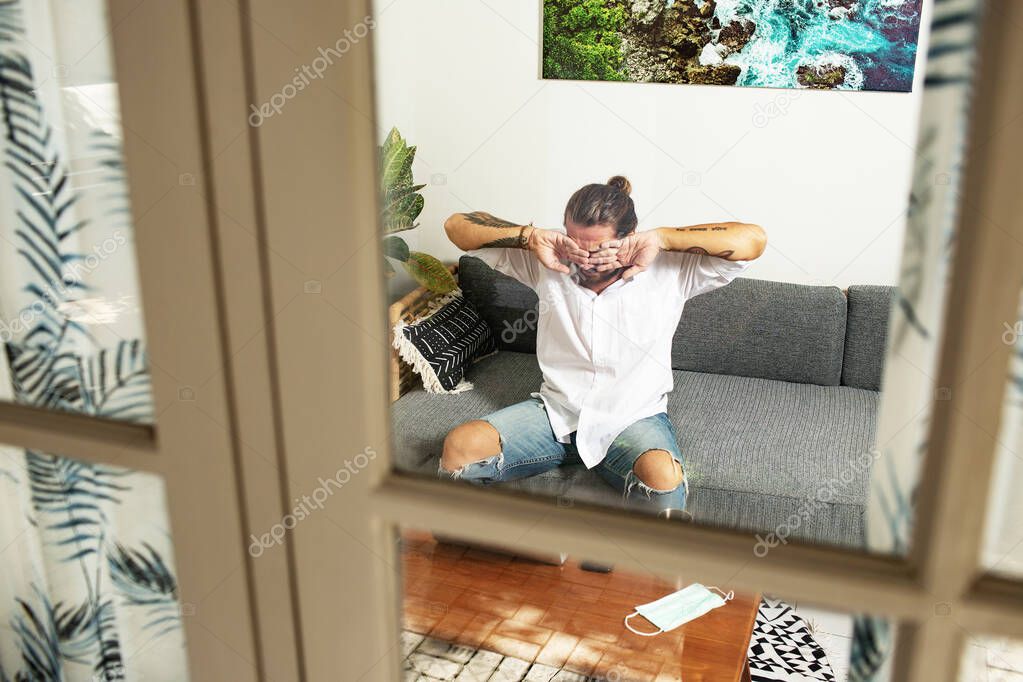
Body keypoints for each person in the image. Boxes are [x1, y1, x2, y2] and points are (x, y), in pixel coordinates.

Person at [439, 176, 766, 519]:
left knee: (664, 478)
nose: (584, 259)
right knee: (461, 446)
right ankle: (512, 545)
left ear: (630, 235)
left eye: (597, 248)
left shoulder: (672, 268)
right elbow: (455, 227)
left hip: (632, 419)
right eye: (575, 242)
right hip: (557, 415)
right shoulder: (547, 259)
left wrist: (662, 238)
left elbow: (752, 239)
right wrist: (531, 236)